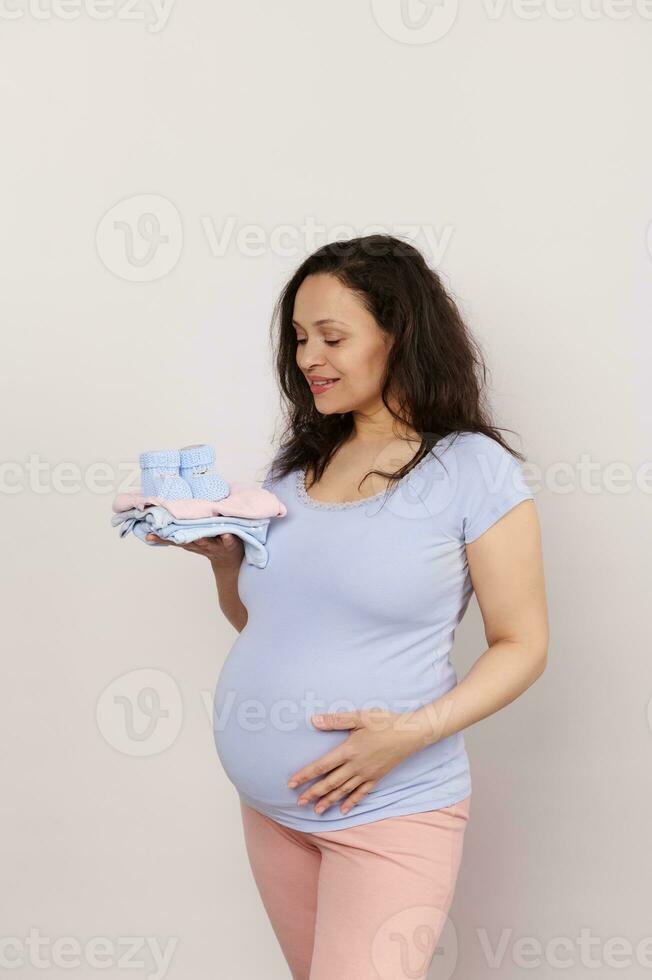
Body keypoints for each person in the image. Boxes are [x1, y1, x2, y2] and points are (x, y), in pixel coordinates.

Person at [147, 235, 549, 980]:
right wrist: (226, 565)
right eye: (300, 338)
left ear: (402, 336)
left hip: (389, 806)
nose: (308, 358)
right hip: (273, 809)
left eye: (332, 336)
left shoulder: (471, 470)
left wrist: (408, 735)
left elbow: (522, 642)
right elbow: (267, 625)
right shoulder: (297, 466)